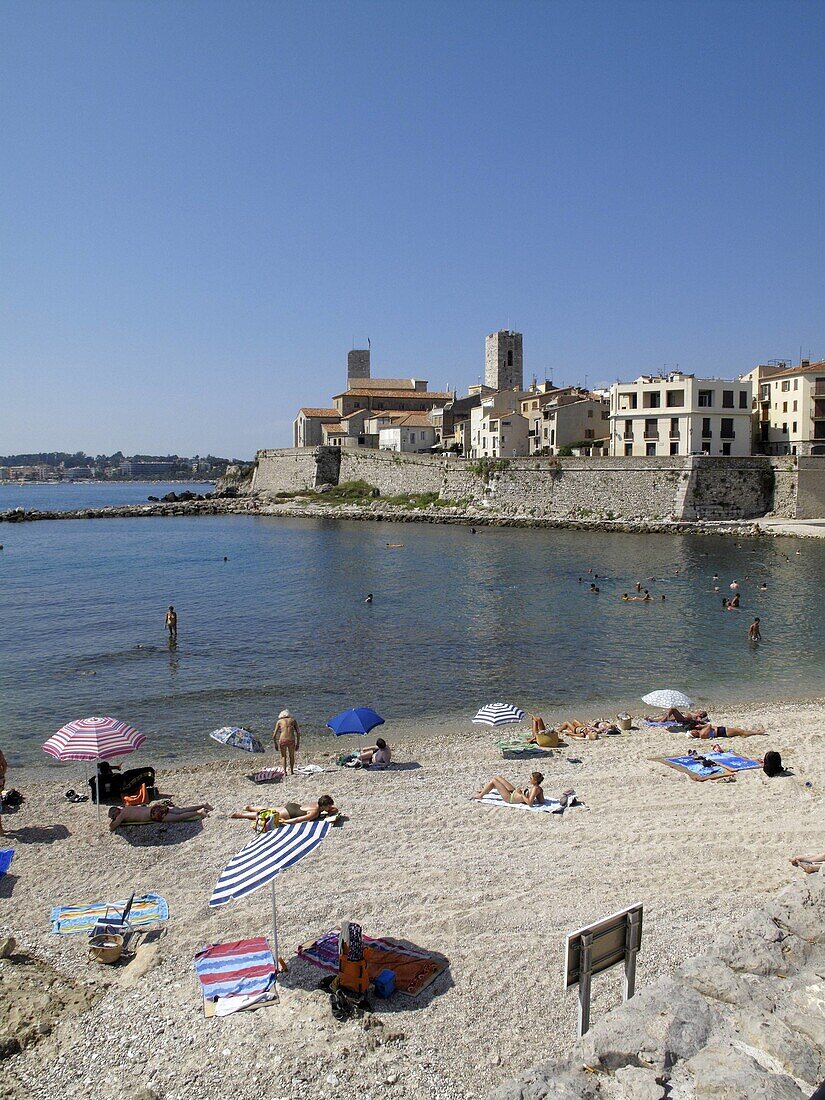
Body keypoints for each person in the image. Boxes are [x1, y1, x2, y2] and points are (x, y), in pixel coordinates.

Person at [231, 795, 338, 830]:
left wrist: (331, 810)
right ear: (324, 806)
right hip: (290, 814)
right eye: (329, 806)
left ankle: (250, 807)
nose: (331, 807)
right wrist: (284, 821)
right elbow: (298, 820)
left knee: (268, 809)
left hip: (293, 806)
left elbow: (334, 809)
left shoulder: (316, 804)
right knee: (263, 816)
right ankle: (241, 815)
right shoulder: (315, 812)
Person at [108, 801, 212, 831]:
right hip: (155, 807)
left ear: (117, 810)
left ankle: (199, 812)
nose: (113, 817)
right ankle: (203, 805)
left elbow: (112, 827)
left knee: (179, 817)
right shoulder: (127, 807)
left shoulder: (122, 814)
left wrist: (113, 821)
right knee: (180, 810)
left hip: (154, 814)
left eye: (113, 815)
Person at [472, 772, 545, 806]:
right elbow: (542, 801)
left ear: (535, 781)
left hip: (510, 798)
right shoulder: (539, 788)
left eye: (531, 778)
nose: (529, 779)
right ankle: (486, 789)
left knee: (494, 781)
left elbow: (530, 803)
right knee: (498, 777)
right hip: (513, 792)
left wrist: (522, 794)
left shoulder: (535, 789)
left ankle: (481, 795)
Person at [273, 709, 300, 776]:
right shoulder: (293, 720)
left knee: (283, 756)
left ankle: (285, 772)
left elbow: (274, 735)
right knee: (291, 756)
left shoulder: (279, 721)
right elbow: (298, 733)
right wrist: (298, 744)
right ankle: (292, 771)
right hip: (291, 740)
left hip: (283, 740)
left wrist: (275, 744)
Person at [689, 722, 766, 740]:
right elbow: (709, 725)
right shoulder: (702, 734)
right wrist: (702, 726)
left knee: (739, 731)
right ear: (694, 735)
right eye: (692, 732)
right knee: (740, 731)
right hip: (722, 732)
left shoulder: (701, 733)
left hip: (722, 731)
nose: (694, 730)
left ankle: (755, 732)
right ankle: (757, 732)